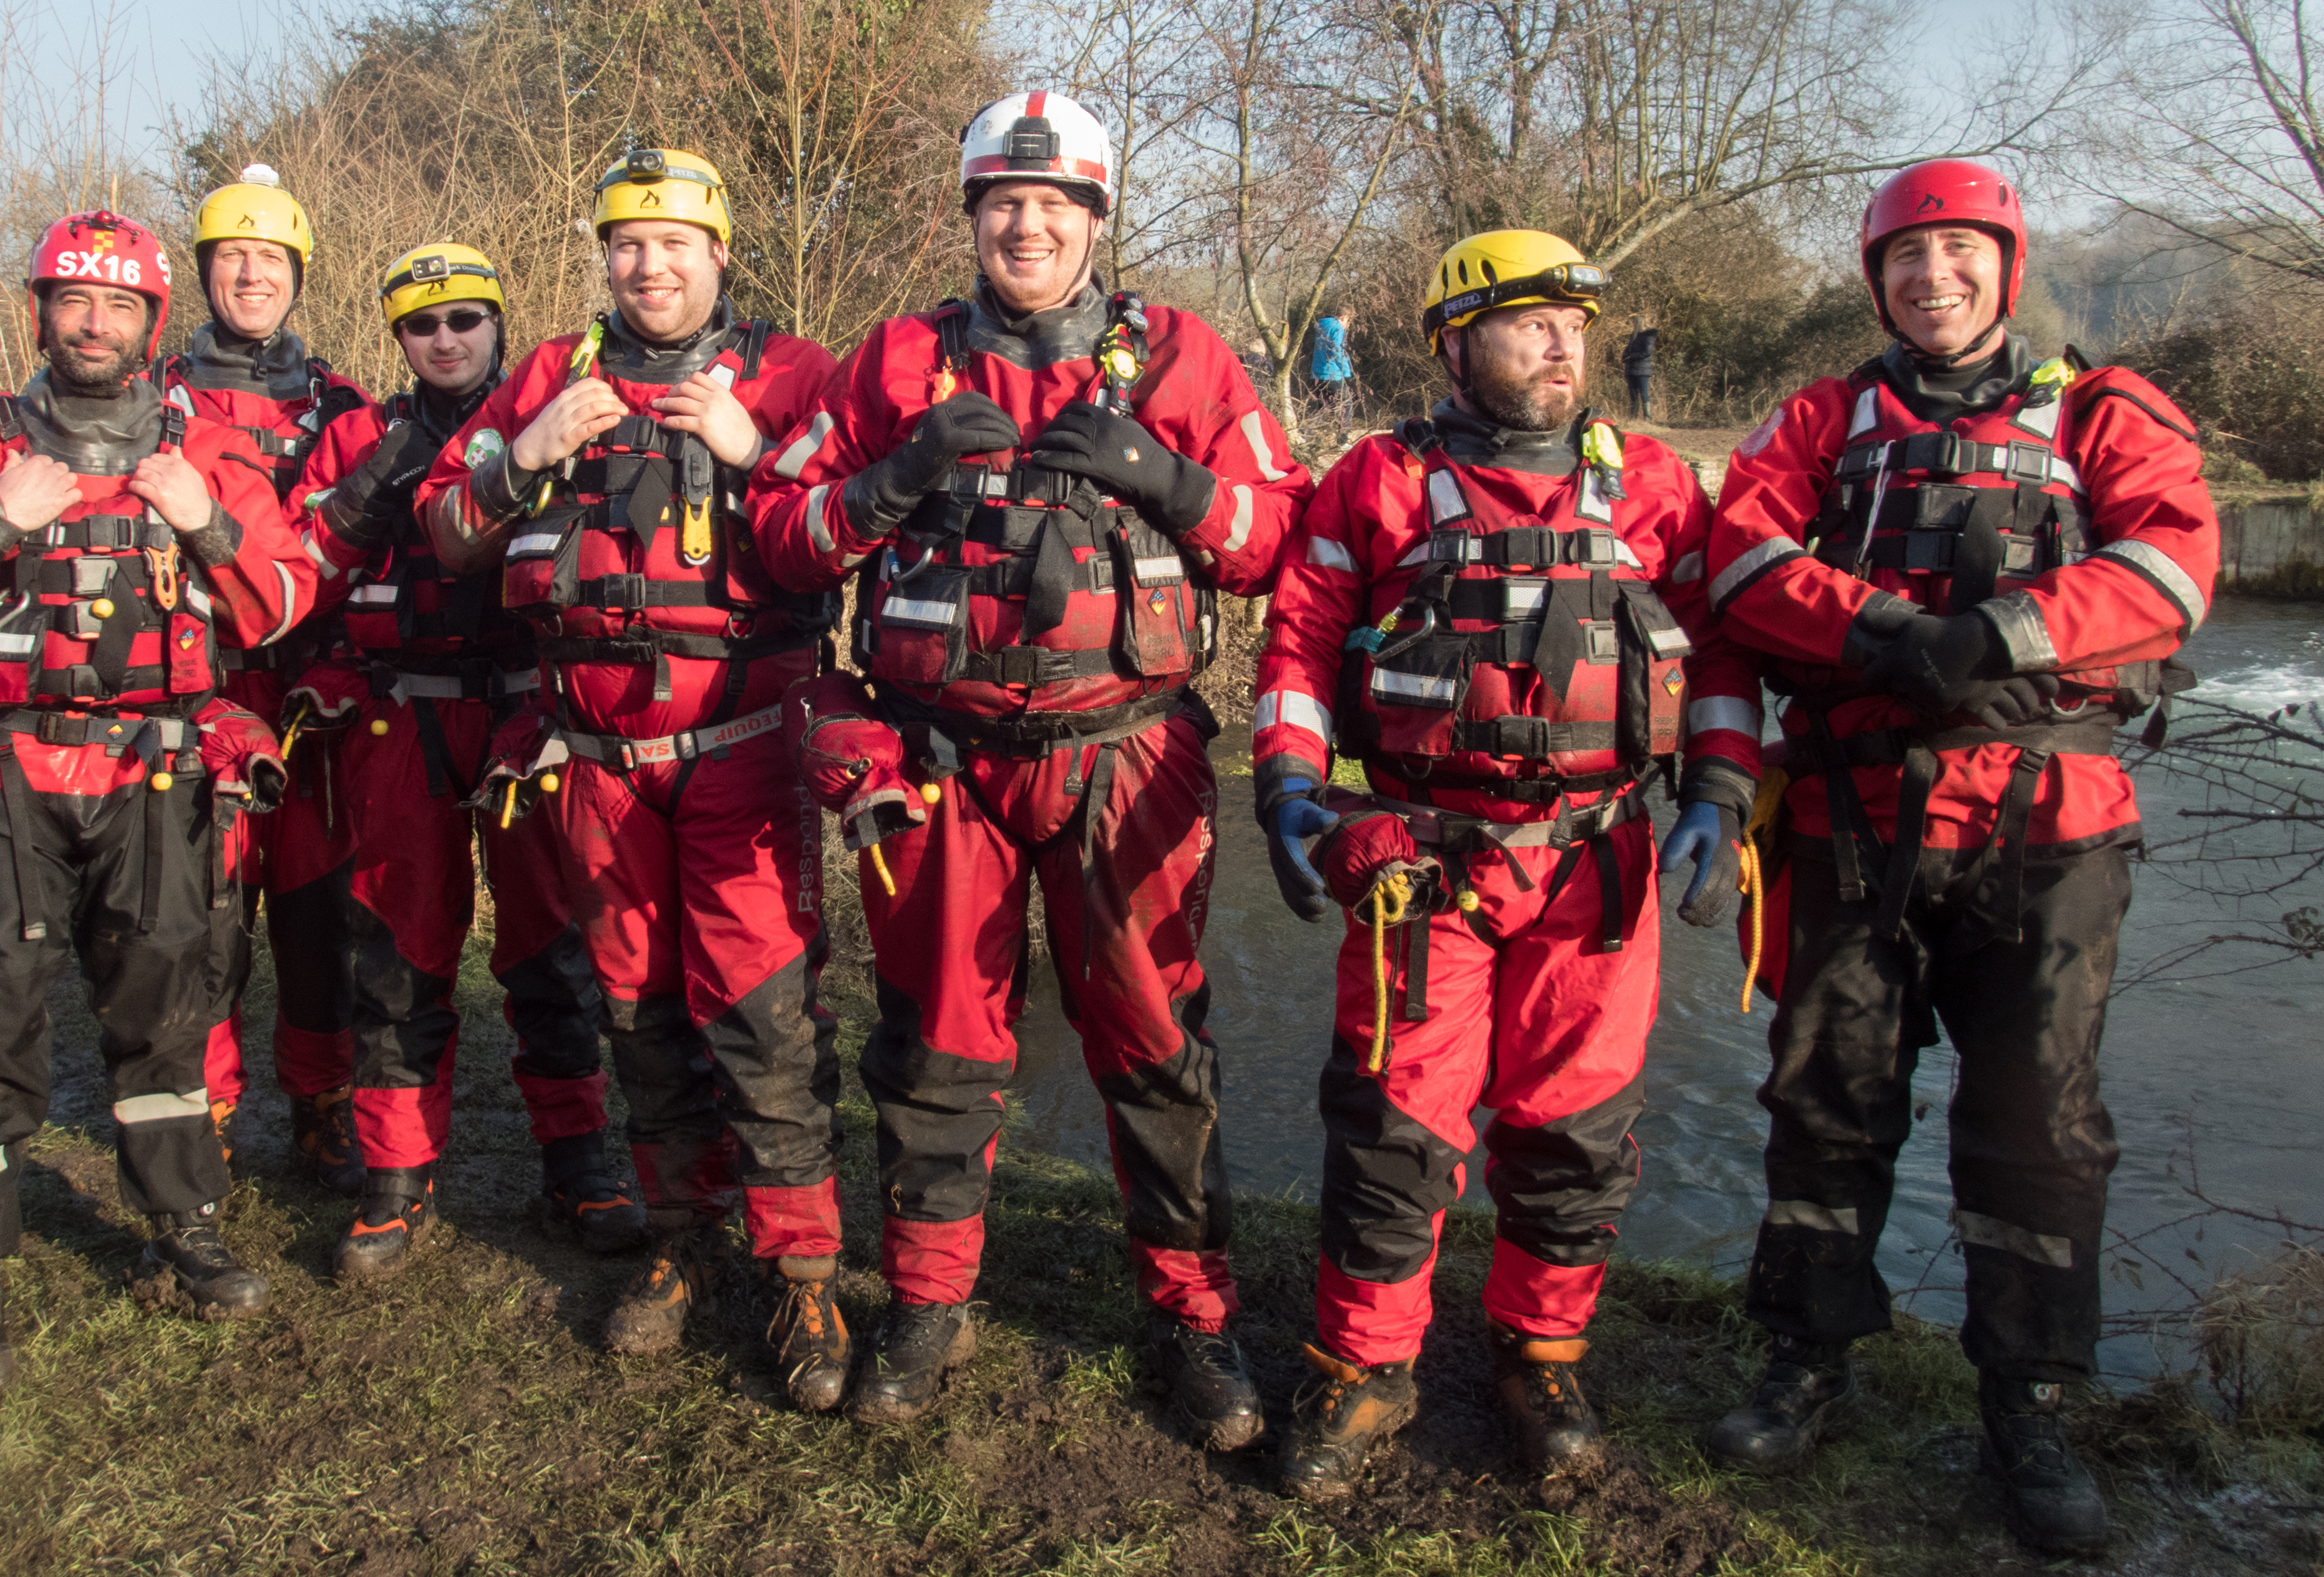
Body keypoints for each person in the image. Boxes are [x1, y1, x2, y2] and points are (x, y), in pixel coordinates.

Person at [1671, 159, 2216, 1556]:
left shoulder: (2107, 410)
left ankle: (2027, 1401)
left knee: (2039, 1125)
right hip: (1853, 815)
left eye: (1961, 255)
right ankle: (1808, 1359)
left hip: (2051, 820)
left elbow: (2169, 567)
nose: (1934, 280)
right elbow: (1737, 564)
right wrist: (1870, 632)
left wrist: (1997, 636)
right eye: (1907, 260)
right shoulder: (1815, 421)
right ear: (1877, 280)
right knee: (1827, 1101)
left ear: (2006, 265)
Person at [753, 90, 1311, 1438]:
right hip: (942, 761)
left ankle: (1193, 1319)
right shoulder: (892, 363)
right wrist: (888, 485)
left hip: (1132, 759)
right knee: (938, 1043)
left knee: (1157, 1045)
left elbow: (1279, 540)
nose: (1026, 225)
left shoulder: (1181, 358)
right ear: (972, 218)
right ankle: (929, 1303)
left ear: (1096, 220)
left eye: (1055, 205)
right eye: (1003, 202)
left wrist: (1167, 482)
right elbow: (779, 533)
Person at [1252, 231, 1759, 1492]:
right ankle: (1362, 1366)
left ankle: (1542, 1355)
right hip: (1422, 869)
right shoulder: (1375, 480)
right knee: (1390, 1130)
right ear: (1454, 342)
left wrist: (1722, 791)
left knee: (1574, 1134)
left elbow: (1724, 656)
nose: (1561, 345)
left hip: (1602, 866)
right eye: (1531, 323)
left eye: (1575, 327)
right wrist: (1290, 789)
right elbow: (1303, 649)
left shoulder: (1650, 483)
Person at [0, 210, 316, 1396]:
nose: (93, 327)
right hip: (1, 774)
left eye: (119, 307)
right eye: (72, 303)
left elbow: (287, 596)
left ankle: (182, 1219)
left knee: (166, 1005)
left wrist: (204, 520)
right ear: (40, 309)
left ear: (154, 322)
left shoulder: (206, 446)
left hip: (155, 774)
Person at [416, 151, 849, 1406]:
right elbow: (446, 537)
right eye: (626, 243)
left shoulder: (796, 374)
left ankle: (802, 1269)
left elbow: (851, 537)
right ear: (602, 257)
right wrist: (524, 453)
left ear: (719, 253)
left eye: (674, 241)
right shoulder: (549, 374)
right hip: (597, 765)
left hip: (744, 751)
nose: (649, 264)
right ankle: (678, 1238)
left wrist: (755, 447)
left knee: (764, 1024)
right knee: (640, 1014)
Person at [283, 242, 639, 1282]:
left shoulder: (557, 406)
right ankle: (394, 1175)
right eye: (421, 326)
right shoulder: (360, 433)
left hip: (527, 710)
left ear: (496, 323)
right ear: (397, 338)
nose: (445, 340)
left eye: (464, 321)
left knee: (550, 952)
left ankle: (577, 1160)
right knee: (394, 950)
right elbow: (291, 571)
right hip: (404, 717)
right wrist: (360, 496)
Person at [160, 164, 375, 1185]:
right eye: (232, 258)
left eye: (269, 260)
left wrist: (339, 664)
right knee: (201, 913)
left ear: (298, 274)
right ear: (205, 272)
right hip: (195, 688)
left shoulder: (343, 409)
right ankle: (201, 1111)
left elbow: (374, 564)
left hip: (306, 698)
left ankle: (321, 1100)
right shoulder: (155, 402)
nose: (251, 276)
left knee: (315, 911)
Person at [1311, 312, 1356, 433]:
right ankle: (1342, 440)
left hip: (1317, 374)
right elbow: (1337, 351)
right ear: (1346, 316)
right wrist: (1347, 374)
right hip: (1332, 374)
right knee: (1346, 405)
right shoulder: (1337, 328)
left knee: (1323, 407)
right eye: (1349, 321)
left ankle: (1308, 434)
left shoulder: (1322, 326)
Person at [1620, 313, 1657, 422]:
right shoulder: (1633, 335)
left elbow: (1647, 352)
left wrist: (1631, 357)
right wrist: (1625, 355)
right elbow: (1629, 348)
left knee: (1644, 393)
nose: (1633, 324)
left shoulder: (1648, 336)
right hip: (1631, 368)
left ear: (1639, 323)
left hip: (1642, 369)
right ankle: (1633, 417)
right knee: (1633, 394)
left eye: (1635, 322)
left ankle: (1647, 416)